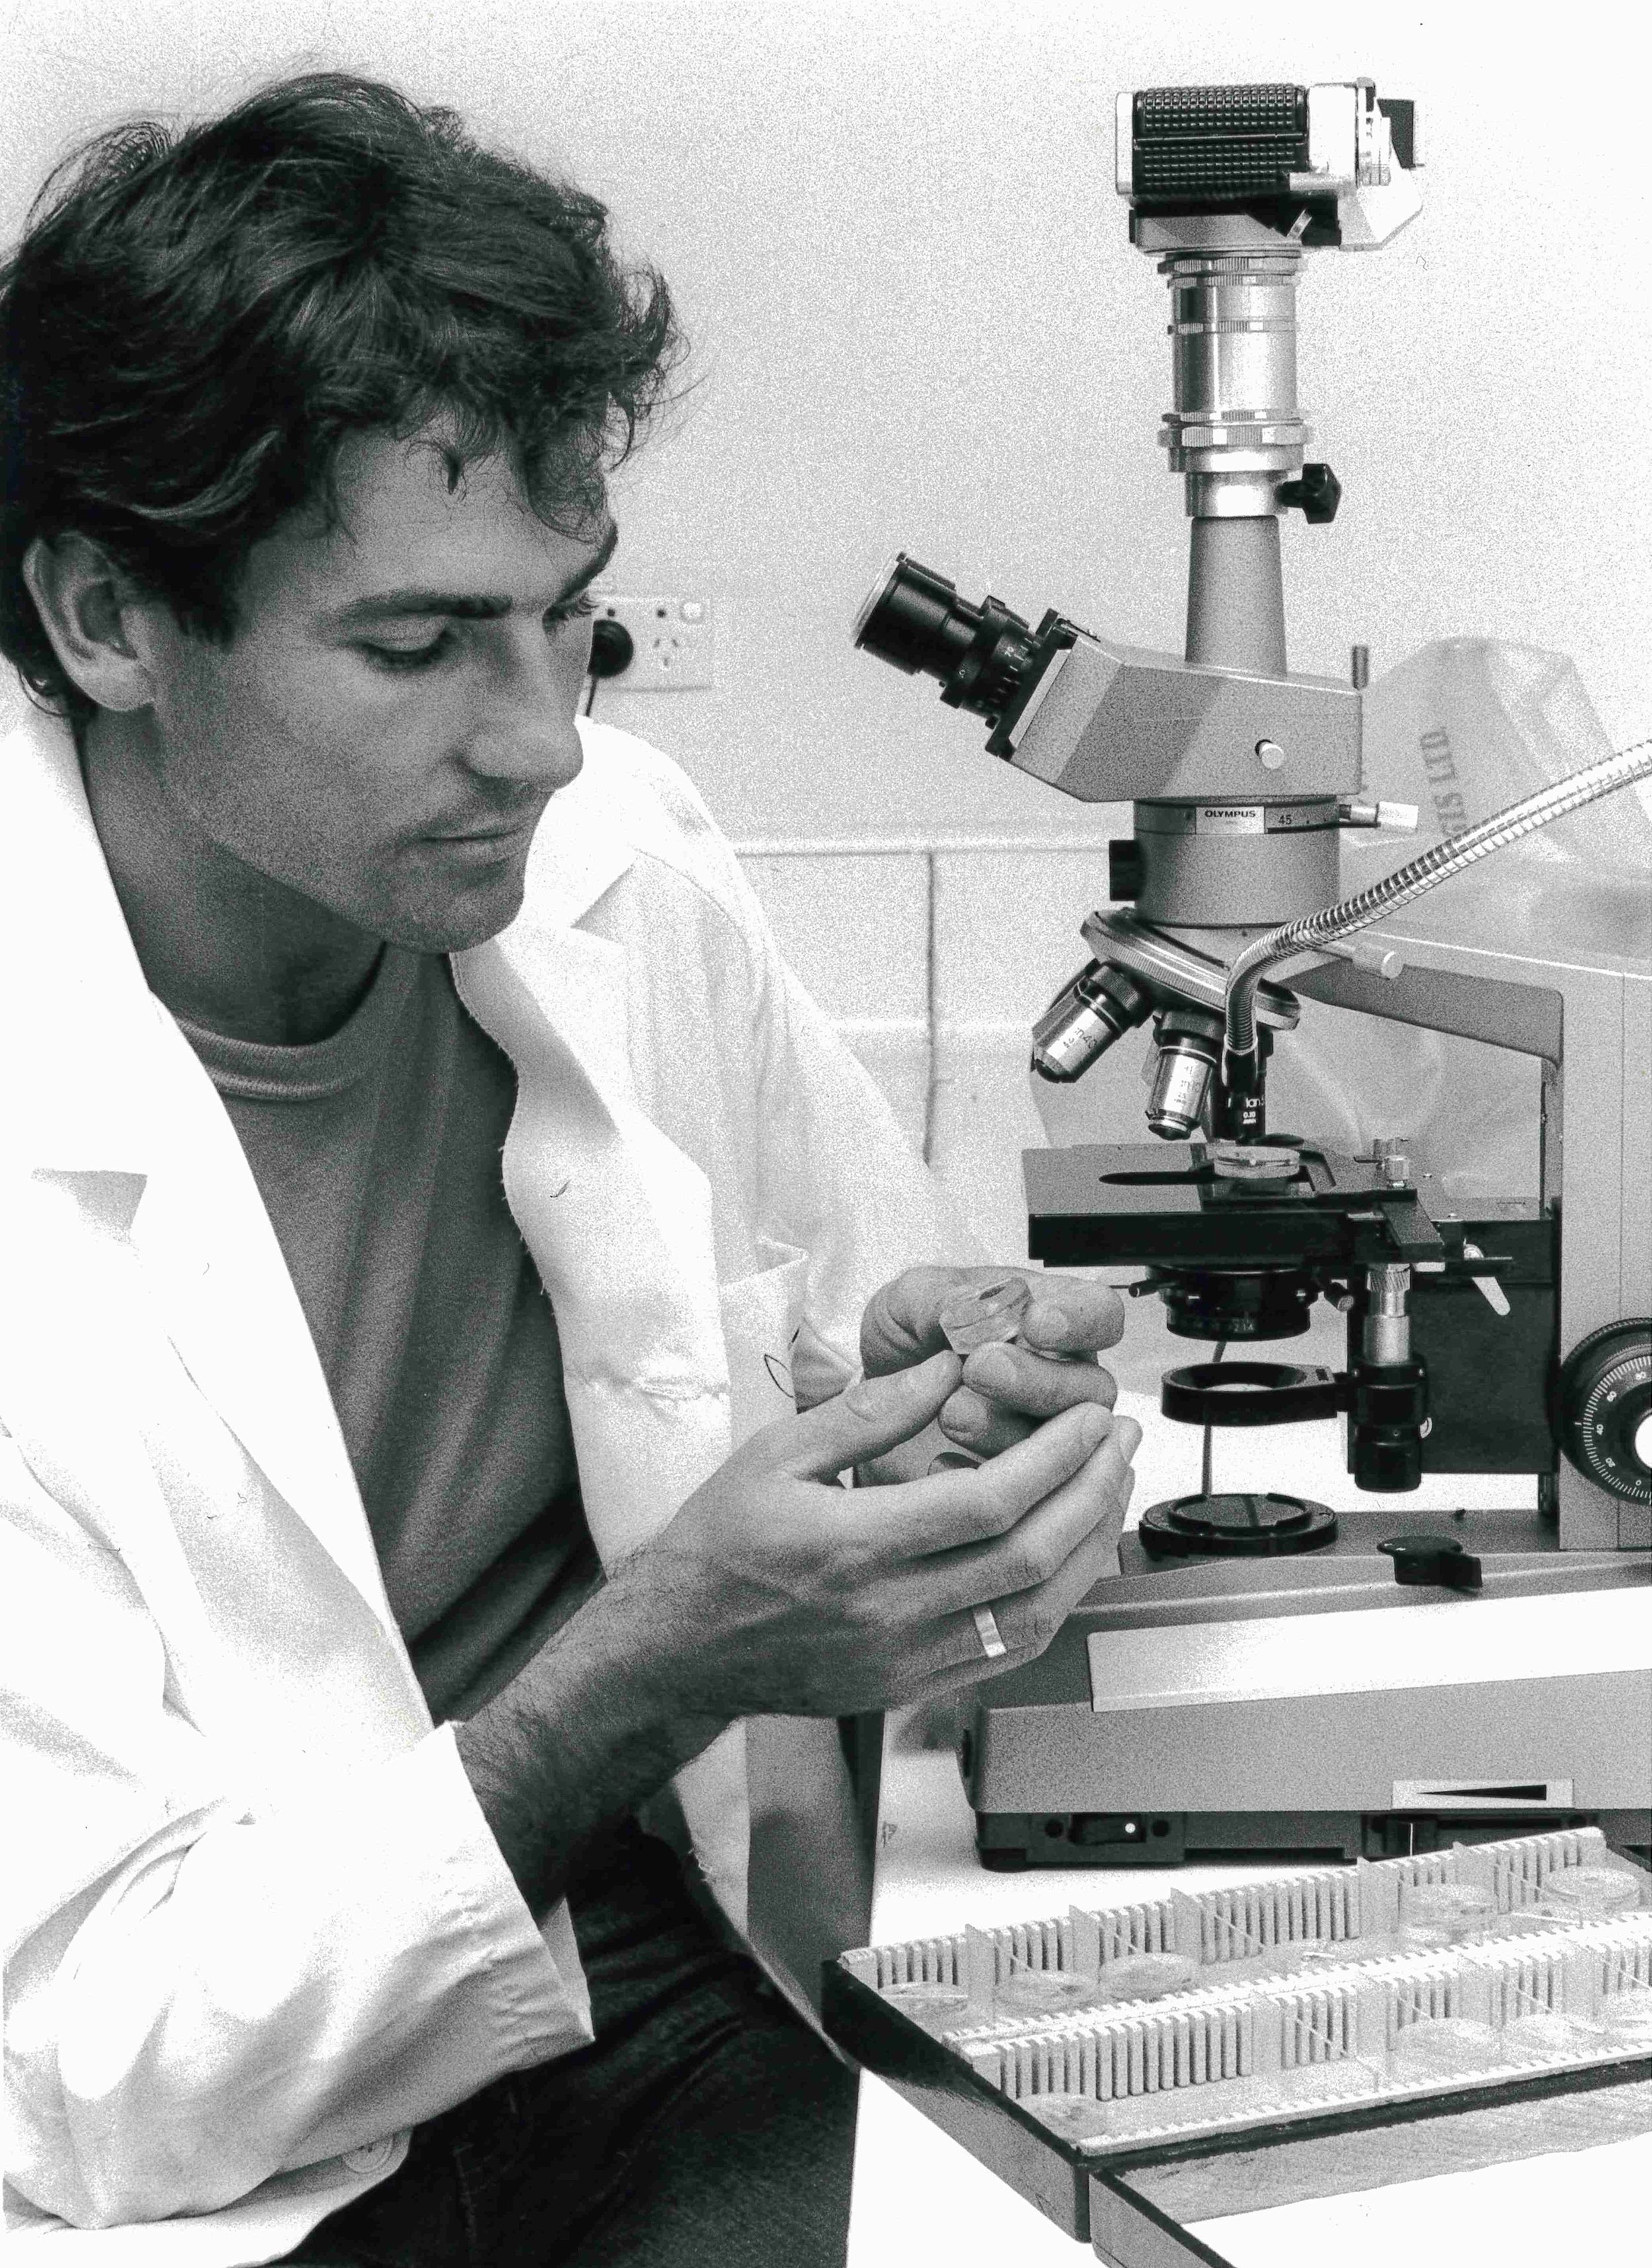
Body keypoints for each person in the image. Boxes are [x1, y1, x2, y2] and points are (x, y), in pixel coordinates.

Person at [0, 73, 1139, 2266]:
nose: (540, 737)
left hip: (633, 1971)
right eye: (420, 647)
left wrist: (926, 1405)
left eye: (570, 621)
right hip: (187, 2150)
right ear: (106, 621)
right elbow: (97, 2065)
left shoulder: (609, 864)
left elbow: (839, 1327)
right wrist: (658, 1661)